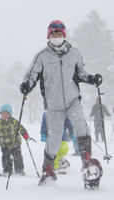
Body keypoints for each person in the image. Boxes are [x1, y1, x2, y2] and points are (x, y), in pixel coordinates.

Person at [20, 20, 103, 187]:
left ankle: (88, 163)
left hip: (73, 100)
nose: (56, 36)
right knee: (55, 139)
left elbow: (81, 73)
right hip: (53, 105)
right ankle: (48, 169)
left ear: (64, 35)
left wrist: (92, 78)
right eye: (53, 34)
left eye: (59, 34)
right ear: (49, 36)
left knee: (81, 126)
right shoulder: (42, 56)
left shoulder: (74, 53)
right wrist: (27, 85)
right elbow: (32, 74)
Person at [0, 104, 29, 176]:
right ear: (1, 113)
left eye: (7, 113)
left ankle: (19, 170)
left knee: (17, 157)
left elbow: (21, 128)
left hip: (15, 144)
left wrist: (25, 134)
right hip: (4, 144)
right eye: (3, 113)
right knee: (5, 157)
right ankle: (7, 170)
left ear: (10, 114)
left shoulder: (14, 122)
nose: (5, 115)